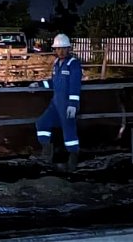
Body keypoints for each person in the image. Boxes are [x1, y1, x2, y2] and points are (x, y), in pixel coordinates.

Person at [33, 33, 82, 170]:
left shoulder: (73, 64)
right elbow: (54, 83)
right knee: (42, 123)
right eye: (58, 49)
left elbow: (75, 85)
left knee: (69, 133)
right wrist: (39, 84)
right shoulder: (56, 64)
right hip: (56, 103)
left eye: (63, 48)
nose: (60, 51)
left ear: (69, 49)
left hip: (67, 104)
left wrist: (73, 104)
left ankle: (73, 159)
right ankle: (46, 154)